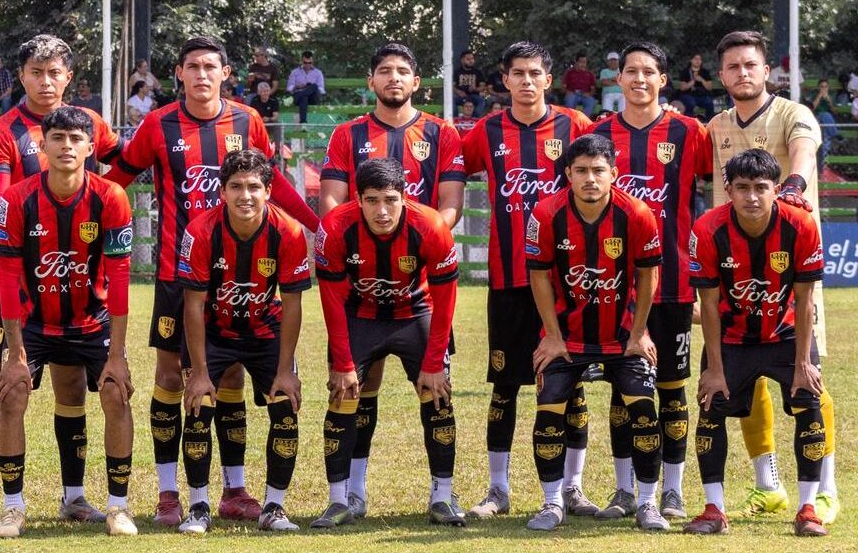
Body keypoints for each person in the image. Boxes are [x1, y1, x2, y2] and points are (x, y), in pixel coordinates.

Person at [104, 36, 319, 528]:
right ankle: (168, 494)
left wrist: (316, 224)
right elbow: (117, 180)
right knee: (170, 378)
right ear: (178, 74)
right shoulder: (158, 124)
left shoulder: (248, 121)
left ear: (226, 73)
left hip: (242, 274)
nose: (202, 75)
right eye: (192, 67)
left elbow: (272, 184)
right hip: (176, 276)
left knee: (231, 375)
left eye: (210, 67)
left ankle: (234, 491)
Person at [0, 33, 123, 529]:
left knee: (72, 383)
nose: (46, 81)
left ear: (68, 77)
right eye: (36, 72)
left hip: (79, 274)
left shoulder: (88, 123)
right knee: (2, 380)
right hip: (17, 275)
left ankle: (74, 497)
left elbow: (123, 166)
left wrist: (99, 211)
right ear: (21, 76)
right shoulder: (0, 132)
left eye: (55, 72)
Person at [319, 42, 465, 519]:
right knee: (352, 390)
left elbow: (450, 204)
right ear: (371, 81)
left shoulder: (441, 133)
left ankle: (443, 494)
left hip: (417, 290)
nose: (394, 78)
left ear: (416, 82)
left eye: (403, 70)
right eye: (384, 70)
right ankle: (347, 495)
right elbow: (331, 203)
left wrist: (413, 239)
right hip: (360, 290)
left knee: (436, 388)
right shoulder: (348, 134)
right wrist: (367, 237)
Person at [707, 30, 838, 524]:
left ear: (766, 71)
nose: (743, 73)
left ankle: (824, 490)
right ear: (722, 76)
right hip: (733, 269)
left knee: (809, 377)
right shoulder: (715, 126)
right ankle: (768, 484)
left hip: (791, 269)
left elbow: (803, 151)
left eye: (750, 65)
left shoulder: (792, 113)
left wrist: (795, 185)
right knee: (744, 378)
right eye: (733, 66)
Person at [0, 106, 137, 538]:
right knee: (11, 394)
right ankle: (13, 508)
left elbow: (121, 278)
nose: (67, 146)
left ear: (91, 147)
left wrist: (118, 355)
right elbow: (7, 278)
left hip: (93, 321)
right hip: (35, 323)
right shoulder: (16, 199)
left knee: (116, 393)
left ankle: (118, 507)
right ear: (44, 145)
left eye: (76, 139)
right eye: (58, 138)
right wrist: (15, 353)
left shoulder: (111, 197)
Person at [461, 41, 591, 519]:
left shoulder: (575, 126)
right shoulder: (487, 130)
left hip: (566, 281)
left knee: (569, 383)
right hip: (509, 280)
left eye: (535, 73)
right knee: (505, 385)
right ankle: (498, 489)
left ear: (548, 79)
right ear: (505, 80)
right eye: (518, 73)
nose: (527, 81)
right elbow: (448, 172)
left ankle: (572, 488)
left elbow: (601, 176)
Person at [589, 42, 711, 521]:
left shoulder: (689, 132)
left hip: (674, 283)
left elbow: (722, 186)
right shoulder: (598, 134)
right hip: (613, 287)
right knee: (623, 391)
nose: (639, 79)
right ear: (618, 78)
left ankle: (673, 491)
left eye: (649, 72)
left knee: (672, 389)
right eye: (631, 71)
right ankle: (624, 490)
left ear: (663, 80)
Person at [524, 133, 666, 532]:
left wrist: (639, 333)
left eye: (599, 170)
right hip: (567, 337)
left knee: (643, 409)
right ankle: (553, 502)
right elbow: (539, 278)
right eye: (582, 170)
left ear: (613, 174)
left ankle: (647, 503)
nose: (590, 178)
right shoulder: (546, 213)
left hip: (622, 336)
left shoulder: (637, 213)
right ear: (568, 173)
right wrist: (552, 337)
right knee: (549, 408)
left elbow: (648, 275)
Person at [685, 148, 828, 538]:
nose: (751, 197)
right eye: (743, 187)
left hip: (786, 336)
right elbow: (708, 305)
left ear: (776, 189)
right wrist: (715, 370)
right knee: (710, 406)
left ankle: (807, 509)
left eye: (761, 187)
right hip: (732, 338)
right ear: (729, 189)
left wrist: (803, 362)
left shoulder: (801, 225)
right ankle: (714, 509)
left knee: (809, 403)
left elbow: (804, 300)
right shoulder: (708, 229)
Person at [176, 149, 311, 533]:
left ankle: (274, 508)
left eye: (254, 187)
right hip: (213, 330)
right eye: (235, 187)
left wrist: (285, 370)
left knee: (285, 405)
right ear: (222, 192)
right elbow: (192, 305)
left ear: (268, 191)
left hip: (264, 329)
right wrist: (200, 372)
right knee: (199, 404)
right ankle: (198, 507)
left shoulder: (288, 231)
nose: (245, 195)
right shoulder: (201, 231)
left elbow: (293, 304)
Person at [806, 79, 838, 172]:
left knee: (826, 136)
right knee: (825, 115)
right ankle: (835, 134)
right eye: (822, 87)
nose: (824, 88)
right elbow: (812, 109)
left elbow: (835, 111)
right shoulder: (814, 95)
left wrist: (829, 101)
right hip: (817, 118)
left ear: (828, 87)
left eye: (825, 86)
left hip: (827, 122)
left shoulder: (831, 96)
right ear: (818, 87)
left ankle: (823, 164)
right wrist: (819, 96)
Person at [285, 50, 325, 124]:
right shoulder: (295, 72)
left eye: (309, 63)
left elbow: (322, 90)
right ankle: (303, 122)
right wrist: (297, 86)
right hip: (299, 97)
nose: (307, 65)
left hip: (312, 98)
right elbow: (289, 88)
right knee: (304, 97)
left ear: (312, 62)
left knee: (314, 86)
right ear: (301, 61)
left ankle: (293, 99)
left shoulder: (318, 73)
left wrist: (310, 88)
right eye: (305, 63)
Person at [678, 54, 715, 121]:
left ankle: (709, 121)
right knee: (690, 103)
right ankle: (689, 122)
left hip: (701, 95)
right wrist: (693, 80)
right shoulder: (685, 72)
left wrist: (702, 80)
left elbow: (709, 88)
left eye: (699, 59)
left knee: (709, 102)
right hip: (688, 95)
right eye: (695, 59)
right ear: (691, 60)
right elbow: (682, 88)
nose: (698, 61)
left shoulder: (705, 72)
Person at [454, 50, 486, 116]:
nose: (471, 61)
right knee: (451, 101)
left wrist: (475, 89)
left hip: (474, 96)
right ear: (462, 60)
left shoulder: (478, 72)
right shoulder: (457, 72)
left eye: (472, 59)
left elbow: (483, 87)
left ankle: (474, 119)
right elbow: (451, 86)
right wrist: (458, 92)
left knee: (481, 101)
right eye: (468, 59)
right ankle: (455, 119)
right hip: (460, 96)